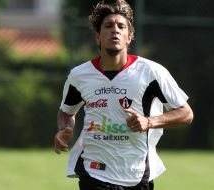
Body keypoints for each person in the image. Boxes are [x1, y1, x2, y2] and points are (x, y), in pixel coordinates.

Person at [54, 0, 194, 189]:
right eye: (108, 26)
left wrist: (149, 121)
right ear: (97, 36)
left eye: (121, 26)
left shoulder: (151, 72)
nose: (115, 30)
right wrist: (64, 130)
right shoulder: (79, 75)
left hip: (136, 175)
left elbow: (185, 113)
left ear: (129, 37)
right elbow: (66, 112)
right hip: (93, 172)